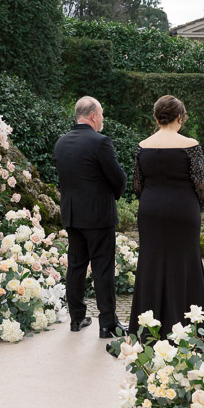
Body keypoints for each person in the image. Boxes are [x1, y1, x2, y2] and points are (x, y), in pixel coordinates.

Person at [128, 95, 204, 342]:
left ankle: (147, 334)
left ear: (156, 118)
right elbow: (201, 186)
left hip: (151, 211)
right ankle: (191, 333)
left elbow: (137, 185)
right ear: (180, 117)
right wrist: (194, 207)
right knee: (186, 265)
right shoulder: (190, 144)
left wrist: (153, 201)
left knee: (150, 264)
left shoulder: (143, 145)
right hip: (183, 211)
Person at [54, 96, 128, 340]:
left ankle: (76, 319)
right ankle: (107, 324)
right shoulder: (100, 142)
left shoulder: (61, 143)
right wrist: (112, 195)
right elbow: (118, 178)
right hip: (98, 217)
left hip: (72, 216)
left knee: (75, 266)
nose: (102, 120)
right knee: (102, 269)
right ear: (94, 115)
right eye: (102, 115)